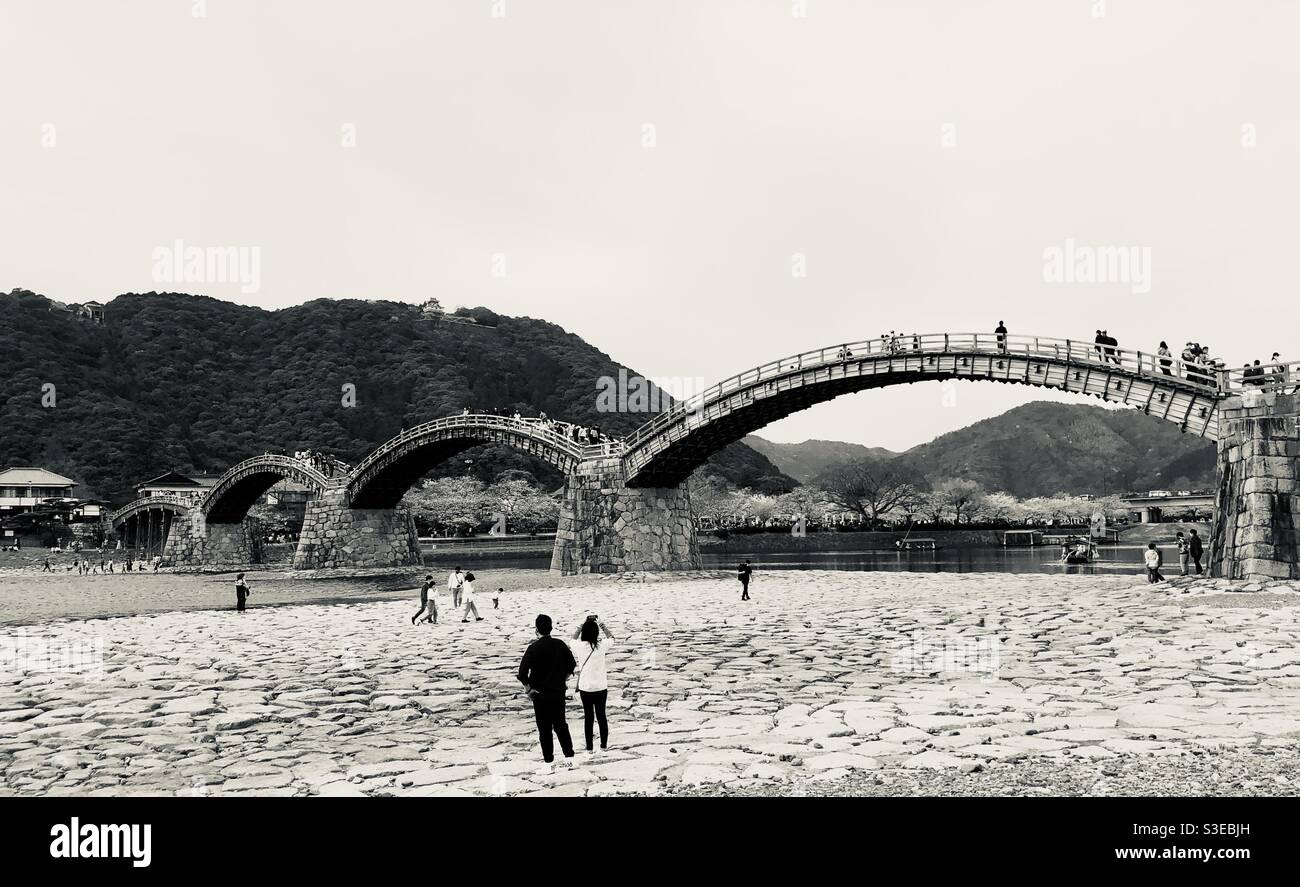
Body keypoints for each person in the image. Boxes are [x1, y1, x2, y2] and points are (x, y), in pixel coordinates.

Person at [517, 614, 577, 767]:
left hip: (540, 695)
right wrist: (562, 679)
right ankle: (570, 759)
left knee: (544, 729)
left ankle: (549, 763)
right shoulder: (560, 644)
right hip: (558, 692)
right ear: (551, 627)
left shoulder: (533, 648)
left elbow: (522, 673)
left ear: (536, 629)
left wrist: (528, 689)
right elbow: (571, 665)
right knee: (561, 726)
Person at [569, 615, 616, 755]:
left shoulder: (579, 646)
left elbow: (572, 639)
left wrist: (582, 624)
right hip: (601, 686)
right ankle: (603, 746)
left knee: (588, 717)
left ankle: (589, 748)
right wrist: (602, 625)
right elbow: (612, 638)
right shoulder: (601, 646)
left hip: (585, 687)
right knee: (602, 716)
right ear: (596, 633)